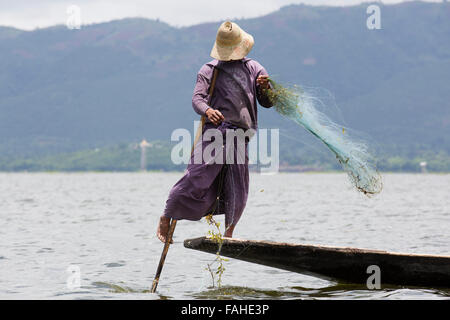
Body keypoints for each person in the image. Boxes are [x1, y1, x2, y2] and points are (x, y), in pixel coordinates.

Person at [157, 21, 272, 242]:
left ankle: (228, 232)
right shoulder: (210, 70)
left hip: (241, 136)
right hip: (216, 134)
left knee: (237, 186)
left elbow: (266, 102)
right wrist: (208, 111)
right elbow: (197, 99)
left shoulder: (255, 69)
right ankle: (167, 216)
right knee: (197, 179)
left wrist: (266, 89)